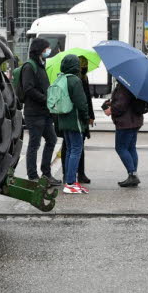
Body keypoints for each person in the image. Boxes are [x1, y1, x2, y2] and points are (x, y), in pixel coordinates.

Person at [21, 38, 60, 185]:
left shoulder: (41, 65)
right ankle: (33, 176)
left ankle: (46, 174)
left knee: (52, 140)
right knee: (34, 144)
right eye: (46, 49)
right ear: (39, 49)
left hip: (45, 112)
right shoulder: (29, 67)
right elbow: (28, 89)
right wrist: (45, 99)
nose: (48, 51)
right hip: (34, 113)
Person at [56, 54, 92, 194]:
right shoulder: (75, 81)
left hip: (63, 119)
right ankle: (70, 183)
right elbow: (82, 104)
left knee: (70, 150)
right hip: (75, 120)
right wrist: (86, 118)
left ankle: (69, 180)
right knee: (76, 150)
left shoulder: (61, 78)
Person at [103, 78, 146, 187]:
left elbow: (121, 104)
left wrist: (110, 109)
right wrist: (112, 101)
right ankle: (133, 175)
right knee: (131, 148)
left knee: (121, 148)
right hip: (135, 120)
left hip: (126, 122)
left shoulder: (125, 84)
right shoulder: (136, 82)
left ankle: (132, 175)